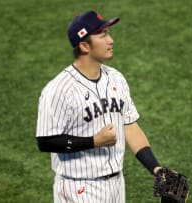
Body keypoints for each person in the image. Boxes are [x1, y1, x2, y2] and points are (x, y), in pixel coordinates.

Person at [36, 10, 162, 203]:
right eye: (103, 35)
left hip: (116, 185)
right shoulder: (58, 90)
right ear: (85, 45)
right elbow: (45, 141)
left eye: (109, 33)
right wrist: (94, 141)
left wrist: (156, 168)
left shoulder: (116, 78)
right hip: (78, 188)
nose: (110, 40)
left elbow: (129, 126)